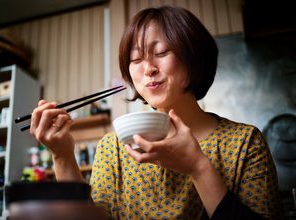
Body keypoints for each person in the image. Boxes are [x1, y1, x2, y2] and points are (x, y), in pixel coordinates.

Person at [29, 6, 282, 220]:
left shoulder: (244, 143)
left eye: (161, 53)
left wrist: (199, 167)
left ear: (194, 57)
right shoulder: (114, 148)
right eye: (136, 59)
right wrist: (62, 156)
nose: (148, 68)